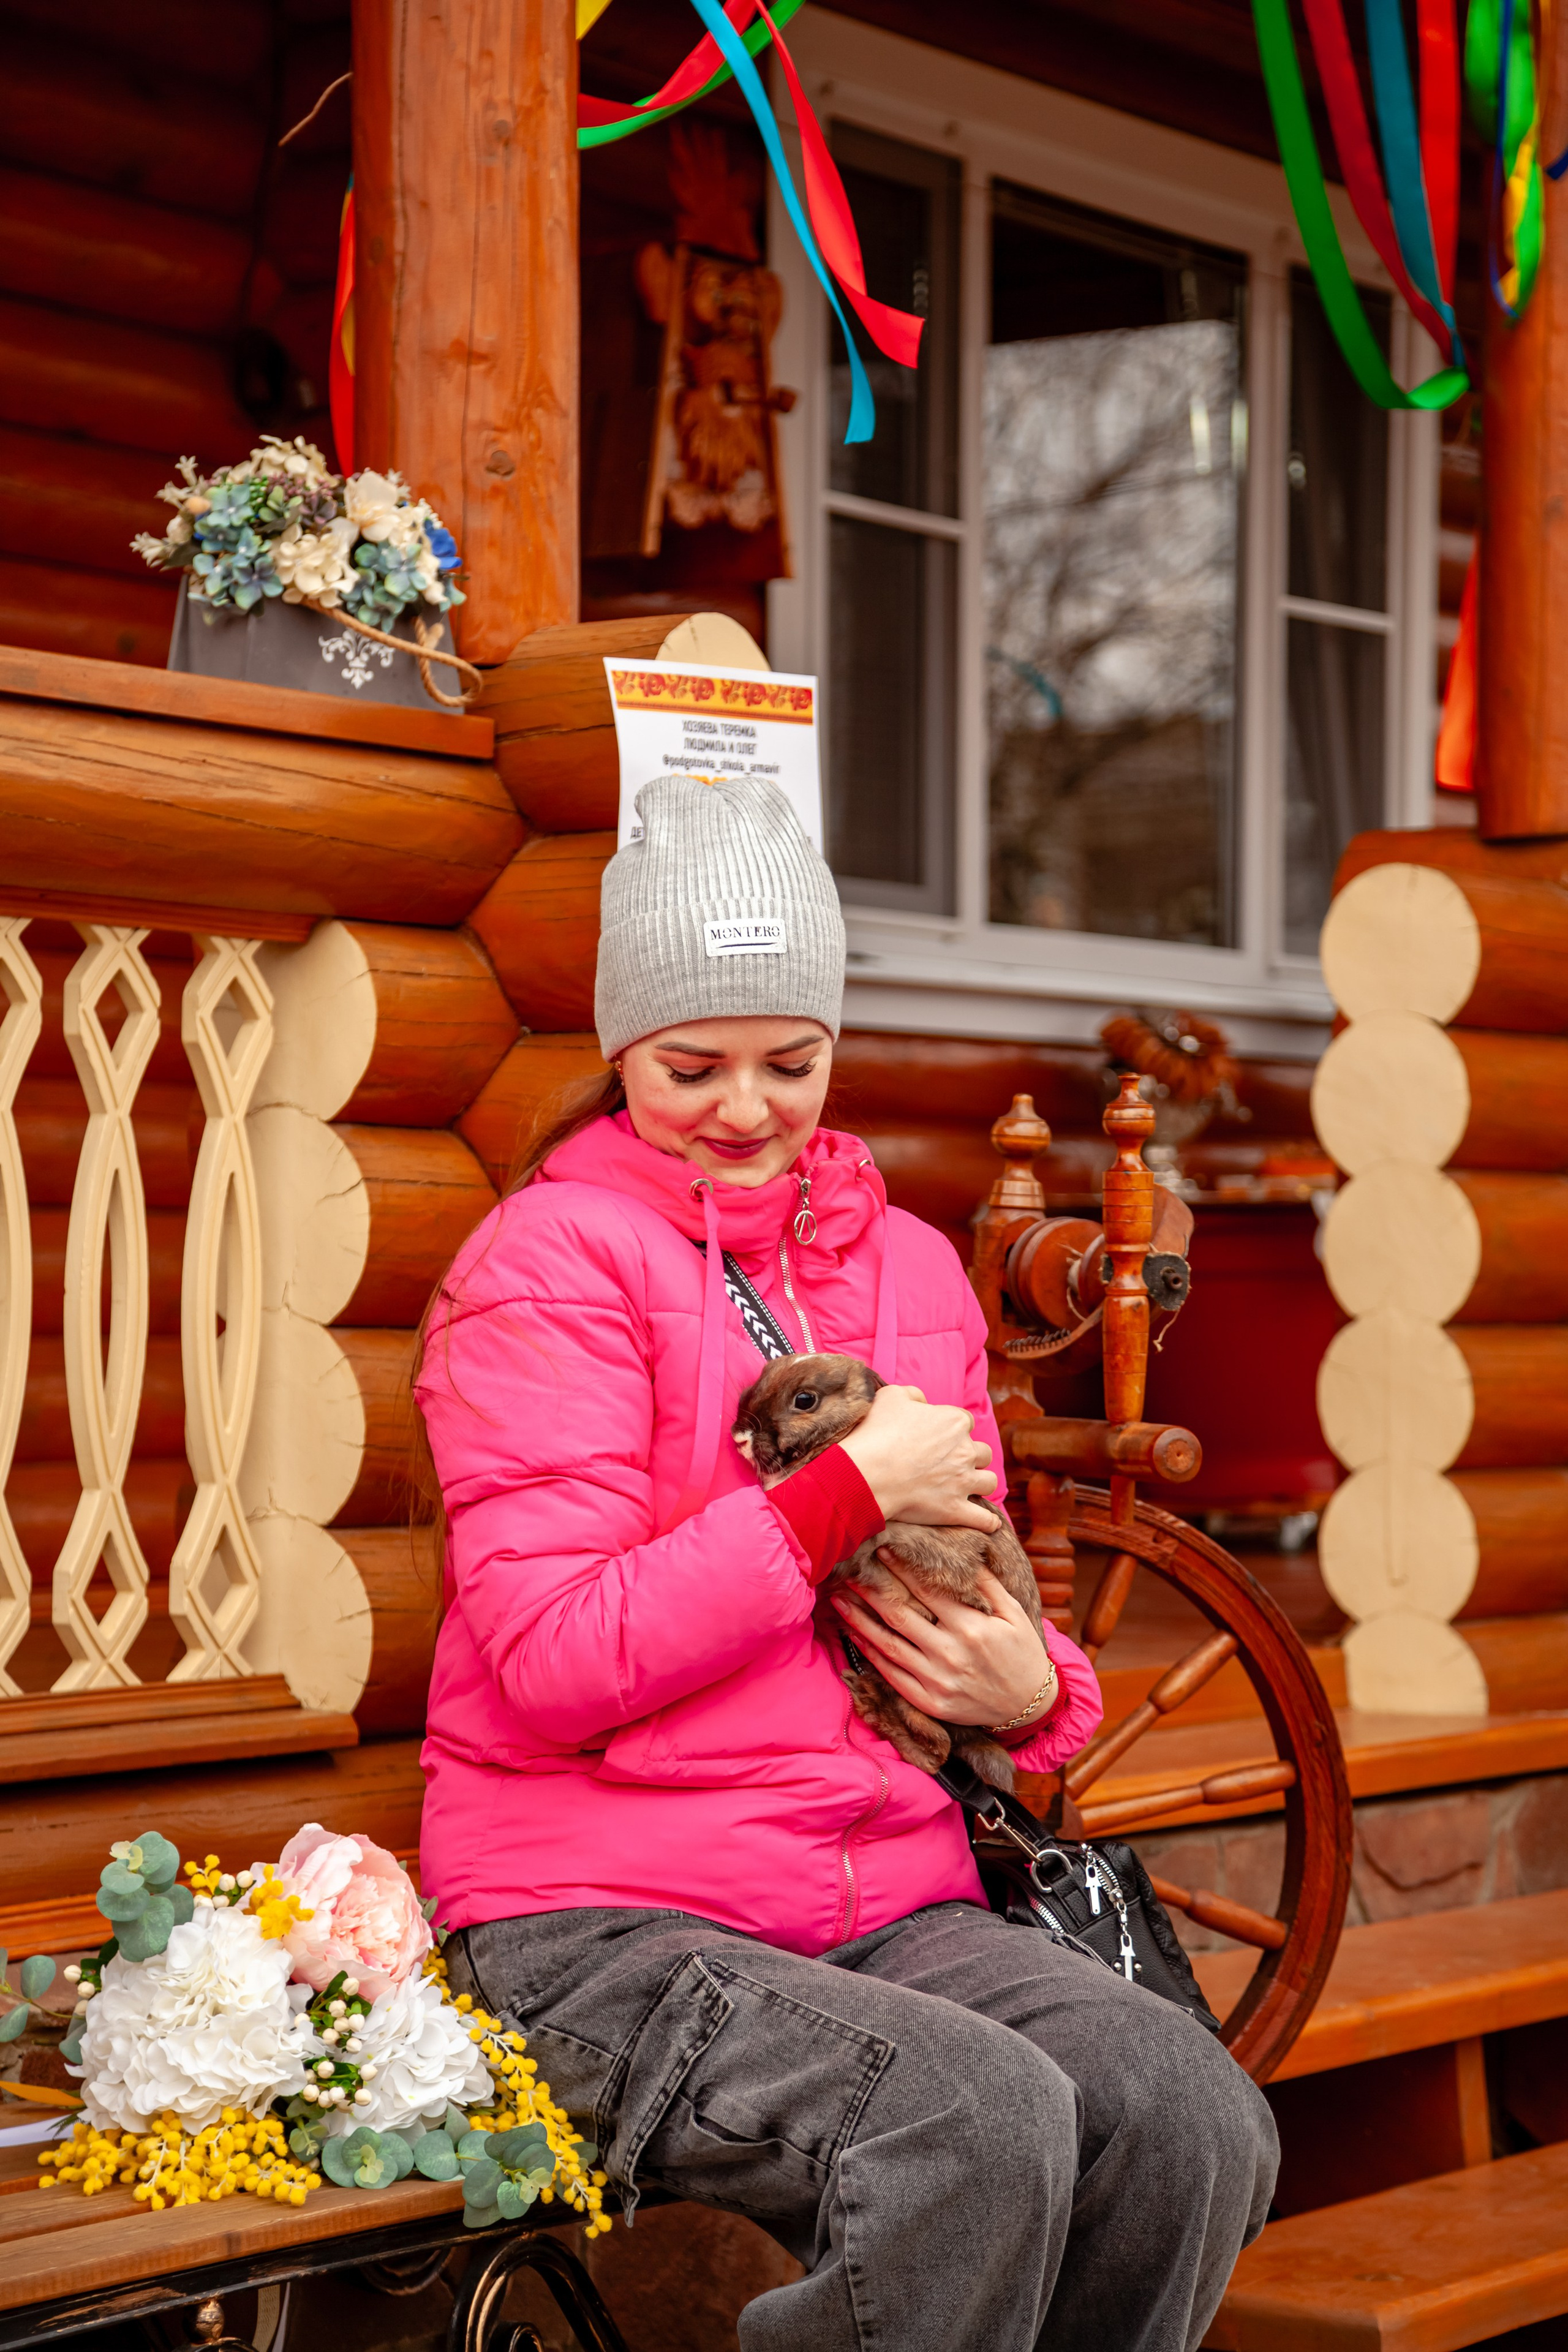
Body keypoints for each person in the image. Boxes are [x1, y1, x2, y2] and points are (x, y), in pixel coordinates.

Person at [415, 774, 1278, 2351]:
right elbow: (550, 1658)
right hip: (599, 1915)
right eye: (694, 1065)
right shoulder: (541, 1268)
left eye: (790, 1062)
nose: (745, 1106)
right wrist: (831, 1502)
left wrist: (1040, 1696)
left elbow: (980, 1571)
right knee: (966, 2122)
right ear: (620, 1054)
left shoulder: (911, 1268)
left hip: (880, 1894)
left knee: (1187, 2112)